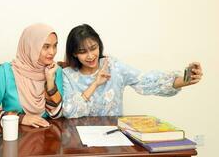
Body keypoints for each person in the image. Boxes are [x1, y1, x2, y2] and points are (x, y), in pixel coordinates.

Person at [62, 24, 203, 118]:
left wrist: (184, 80)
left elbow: (145, 82)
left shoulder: (112, 66)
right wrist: (95, 84)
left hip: (112, 138)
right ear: (74, 53)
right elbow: (70, 111)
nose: (91, 56)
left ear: (99, 45)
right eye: (82, 51)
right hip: (78, 140)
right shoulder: (68, 74)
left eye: (93, 48)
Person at [0, 23, 63, 127]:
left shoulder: (55, 71)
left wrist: (50, 82)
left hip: (46, 135)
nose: (52, 52)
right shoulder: (7, 71)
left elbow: (56, 115)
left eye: (55, 46)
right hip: (14, 133)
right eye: (46, 47)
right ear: (30, 47)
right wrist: (19, 118)